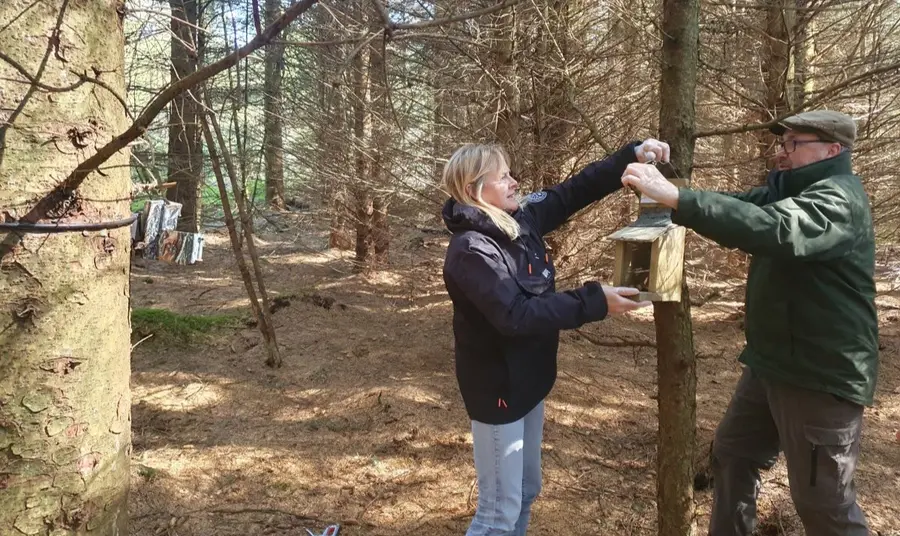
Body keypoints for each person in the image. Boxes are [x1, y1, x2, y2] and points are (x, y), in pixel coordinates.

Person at [621, 110, 878, 536]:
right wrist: (670, 190)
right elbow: (743, 208)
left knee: (824, 504)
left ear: (832, 150)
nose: (783, 151)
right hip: (772, 362)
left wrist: (676, 199)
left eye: (795, 143)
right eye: (784, 142)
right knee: (734, 456)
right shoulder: (791, 188)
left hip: (819, 373)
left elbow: (775, 229)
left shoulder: (838, 199)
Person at [441, 139, 666, 535]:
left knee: (527, 490)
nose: (514, 182)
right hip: (498, 391)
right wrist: (594, 301)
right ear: (477, 190)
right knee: (497, 512)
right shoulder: (471, 251)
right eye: (504, 176)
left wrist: (631, 156)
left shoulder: (518, 220)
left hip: (530, 382)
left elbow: (571, 192)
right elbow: (515, 315)